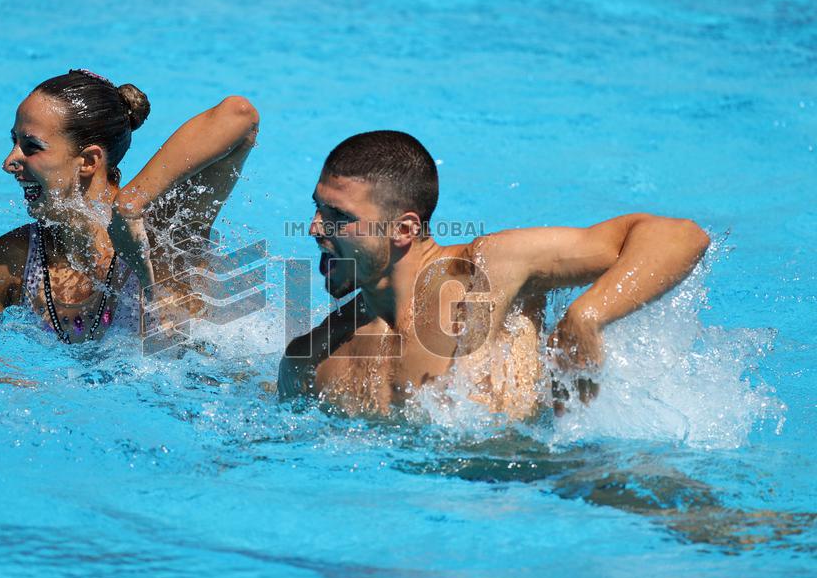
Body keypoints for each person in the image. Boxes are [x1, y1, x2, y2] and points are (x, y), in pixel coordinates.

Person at [278, 131, 710, 420]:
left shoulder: (488, 270)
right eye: (318, 209)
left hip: (554, 488)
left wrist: (588, 316)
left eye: (339, 216)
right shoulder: (310, 361)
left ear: (405, 229)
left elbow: (677, 235)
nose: (315, 227)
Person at [0, 69, 259, 343]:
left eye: (32, 147)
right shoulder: (12, 261)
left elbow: (240, 115)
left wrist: (131, 202)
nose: (8, 162)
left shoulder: (164, 236)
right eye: (14, 141)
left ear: (88, 161)